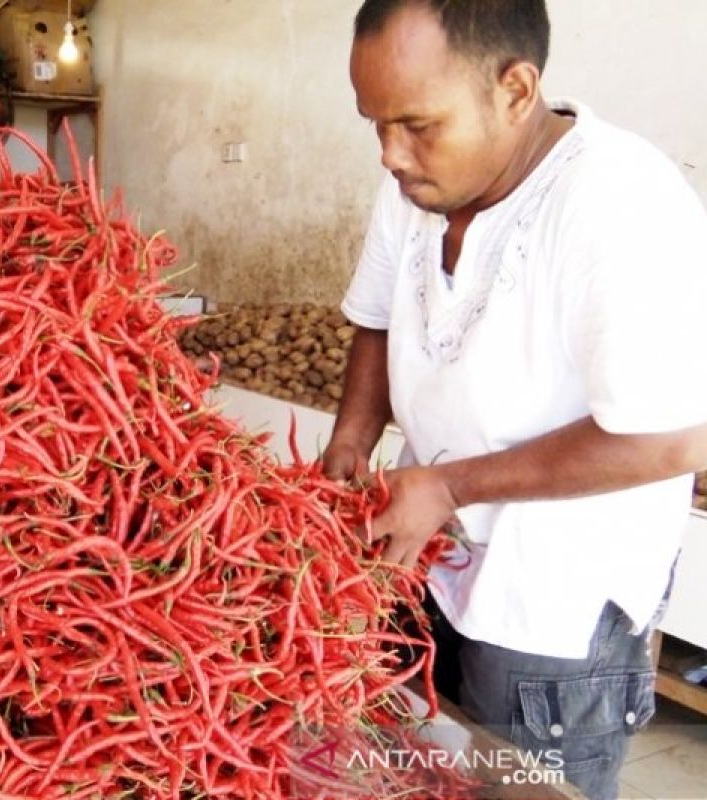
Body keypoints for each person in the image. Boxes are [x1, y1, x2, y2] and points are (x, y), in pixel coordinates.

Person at [323, 2, 707, 798]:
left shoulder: (619, 202)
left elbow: (674, 440)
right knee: (405, 769)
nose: (390, 153)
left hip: (553, 612)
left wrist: (453, 484)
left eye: (417, 124)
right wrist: (352, 442)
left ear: (516, 89)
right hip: (429, 567)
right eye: (376, 124)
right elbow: (375, 316)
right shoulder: (416, 185)